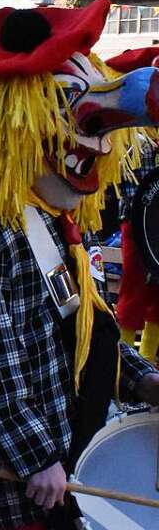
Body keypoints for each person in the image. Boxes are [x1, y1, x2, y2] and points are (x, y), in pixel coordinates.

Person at [0, 0, 159, 530]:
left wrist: (139, 377)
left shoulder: (57, 226)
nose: (96, 146)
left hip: (57, 435)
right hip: (16, 458)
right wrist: (35, 458)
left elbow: (83, 323)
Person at [108, 47, 159, 364]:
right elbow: (129, 182)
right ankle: (123, 360)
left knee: (158, 296)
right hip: (137, 222)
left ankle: (150, 359)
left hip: (158, 225)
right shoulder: (134, 135)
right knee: (133, 292)